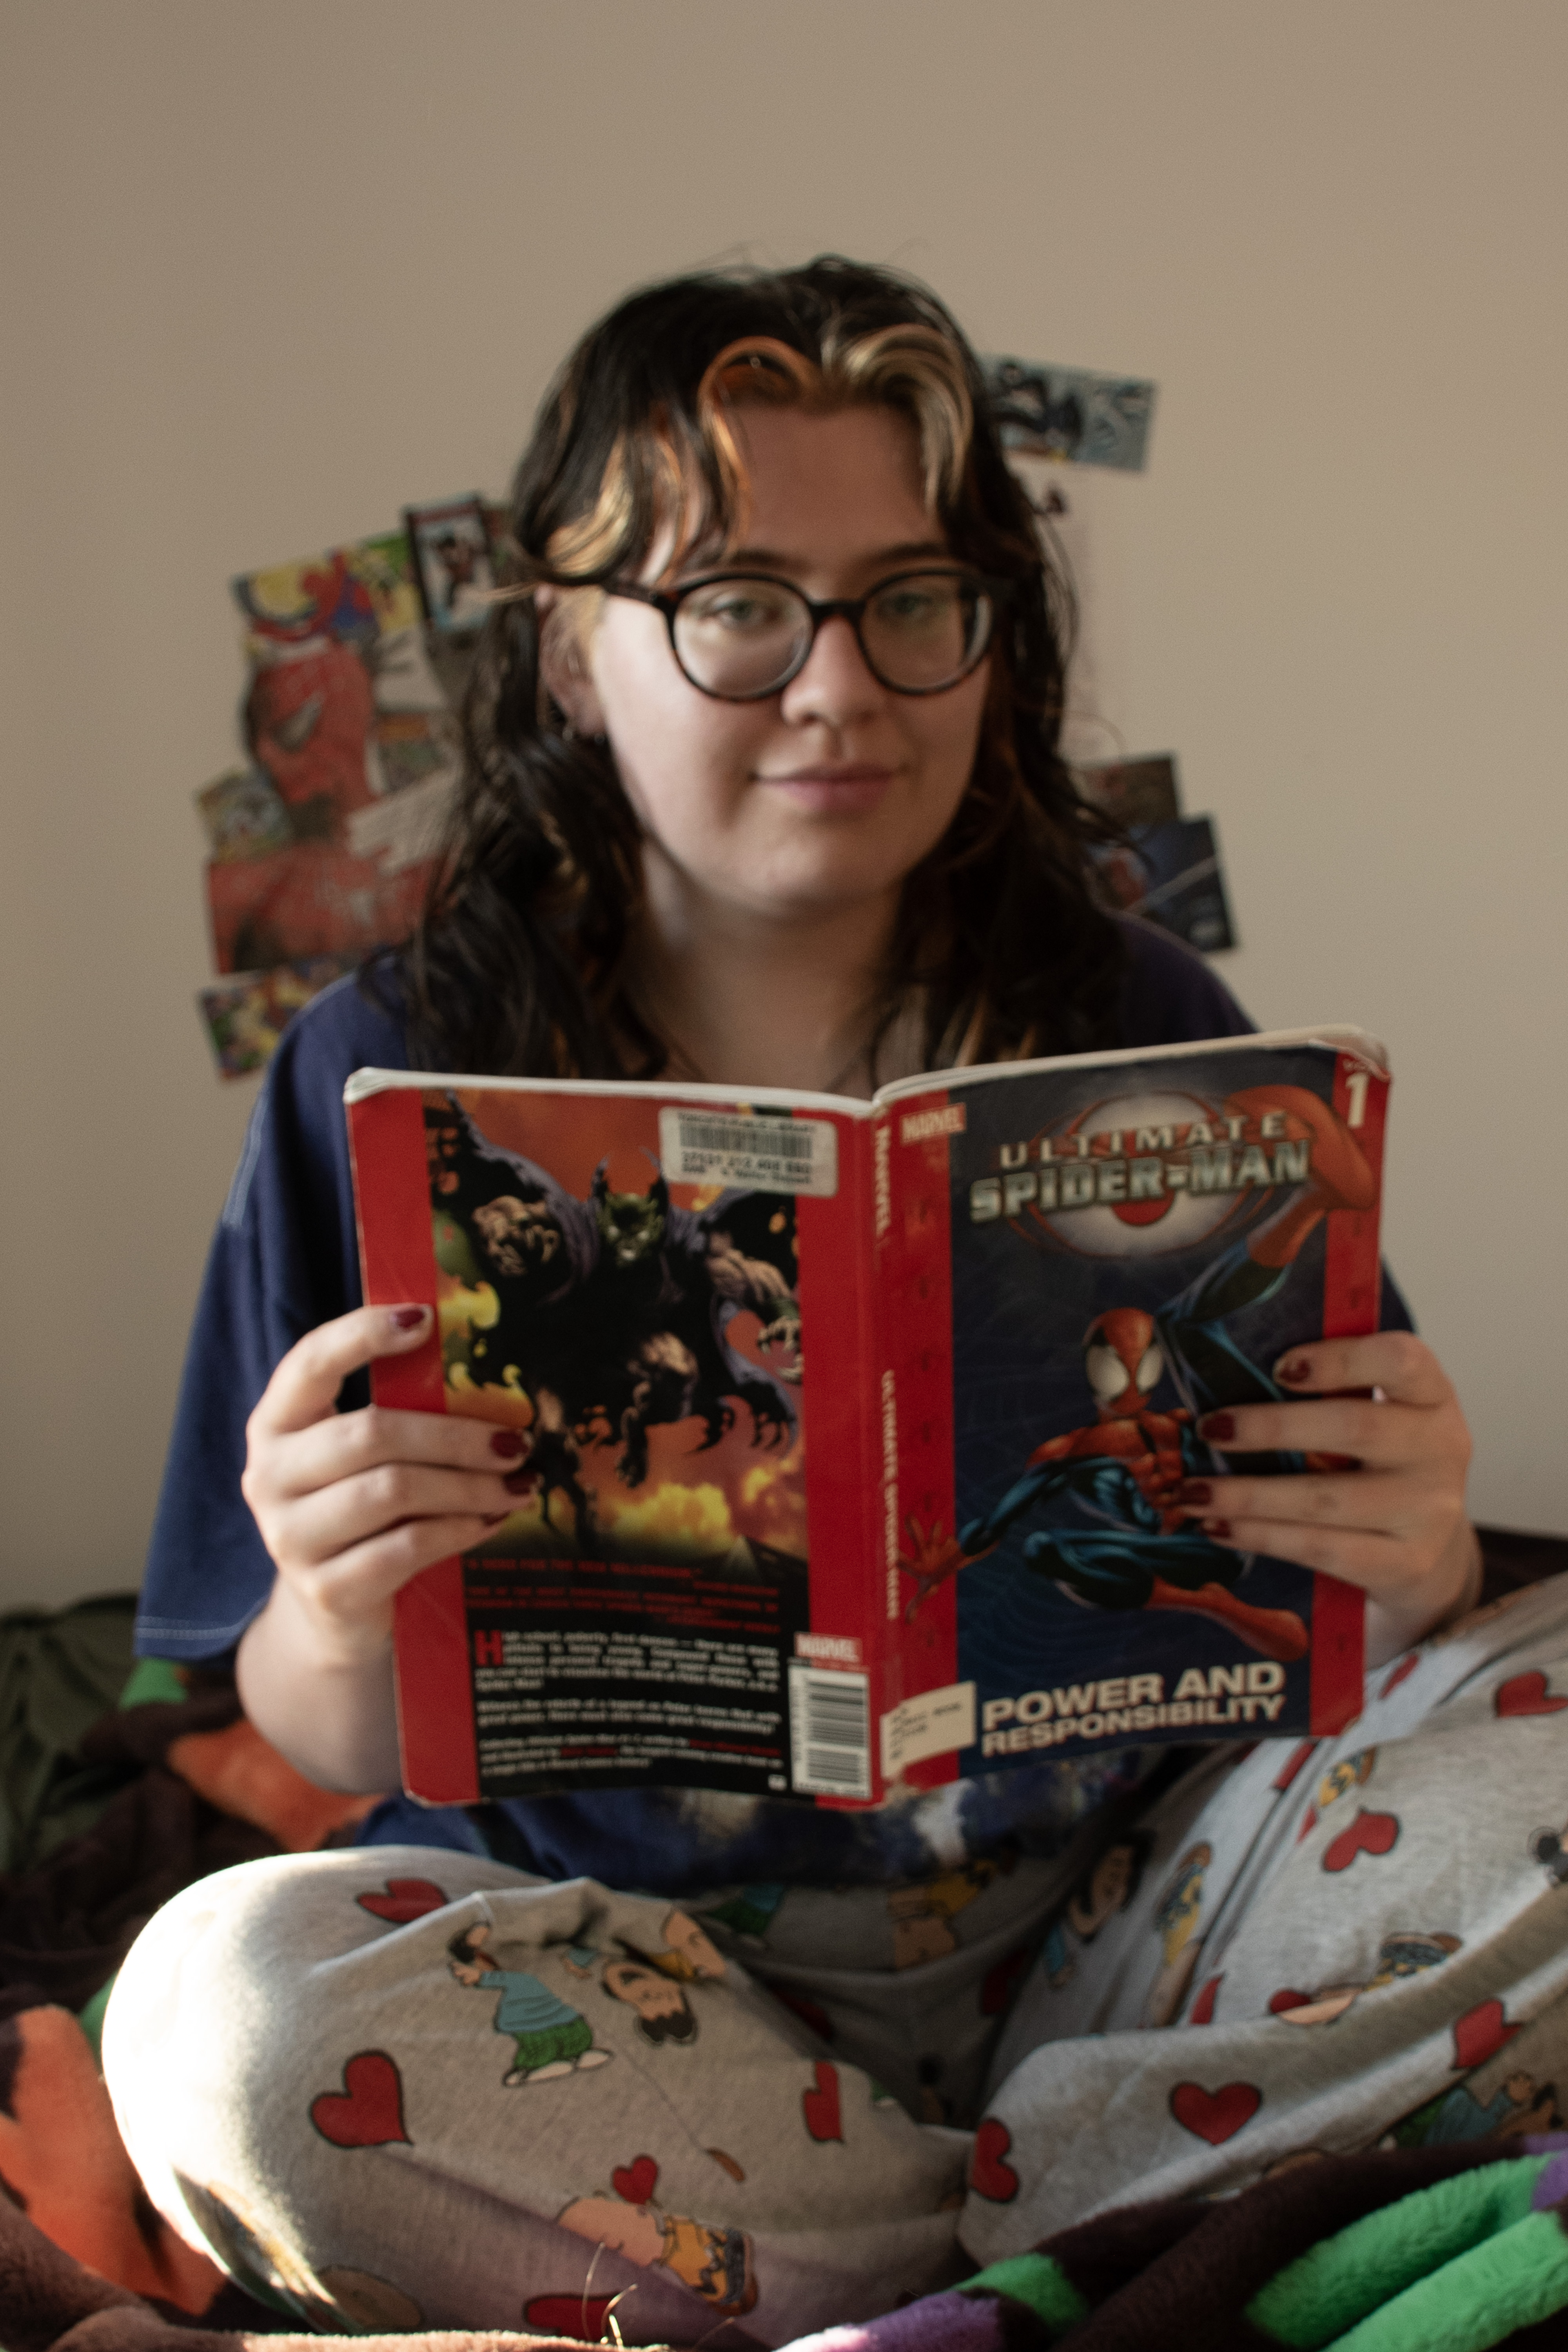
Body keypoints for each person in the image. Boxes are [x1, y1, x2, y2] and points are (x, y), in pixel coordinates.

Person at [106, 259, 1554, 2348]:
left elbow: (1342, 1595)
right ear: (571, 660)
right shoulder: (381, 1076)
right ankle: (1065, 2245)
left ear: (991, 637)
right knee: (216, 2025)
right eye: (739, 604)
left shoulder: (1140, 1021)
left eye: (910, 598)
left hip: (1131, 1945)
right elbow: (300, 1728)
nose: (837, 687)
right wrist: (331, 1607)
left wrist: (1409, 1548)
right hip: (623, 1992)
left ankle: (942, 2247)